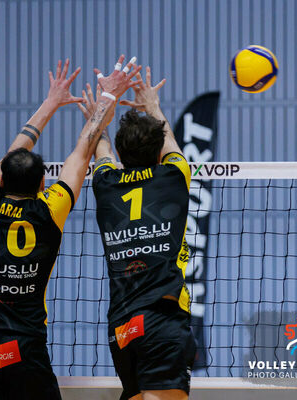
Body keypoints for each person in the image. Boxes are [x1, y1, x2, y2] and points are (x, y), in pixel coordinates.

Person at [0, 56, 141, 400]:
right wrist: (107, 98)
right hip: (22, 345)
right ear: (43, 184)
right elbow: (82, 152)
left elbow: (14, 153)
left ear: (1, 179)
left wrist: (50, 102)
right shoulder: (48, 210)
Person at [81, 67, 196, 400]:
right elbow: (170, 143)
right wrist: (152, 105)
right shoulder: (175, 176)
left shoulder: (105, 183)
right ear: (158, 152)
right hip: (163, 320)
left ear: (120, 153)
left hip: (122, 327)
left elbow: (98, 147)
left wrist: (101, 110)